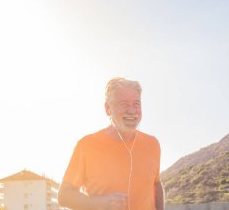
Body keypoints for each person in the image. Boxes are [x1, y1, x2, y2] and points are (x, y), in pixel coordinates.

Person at [58, 77, 165, 210]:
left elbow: (156, 184)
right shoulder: (87, 145)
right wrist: (100, 203)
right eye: (124, 104)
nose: (132, 110)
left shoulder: (152, 144)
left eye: (136, 104)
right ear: (108, 108)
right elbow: (64, 195)